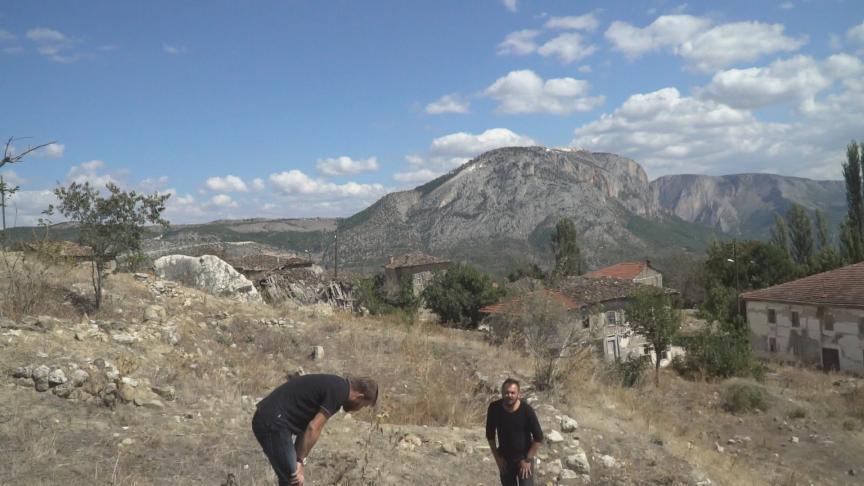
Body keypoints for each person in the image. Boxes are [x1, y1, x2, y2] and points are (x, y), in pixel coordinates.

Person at [252, 374, 378, 486]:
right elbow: (314, 428)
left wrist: (299, 460)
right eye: (363, 405)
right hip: (272, 421)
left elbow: (306, 429)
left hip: (273, 419)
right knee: (293, 479)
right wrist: (300, 461)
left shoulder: (337, 386)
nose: (358, 409)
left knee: (292, 478)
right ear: (360, 397)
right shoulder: (339, 392)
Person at [486, 378, 543, 486]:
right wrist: (497, 458)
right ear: (502, 393)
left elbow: (538, 437)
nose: (509, 395)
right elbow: (490, 435)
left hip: (524, 458)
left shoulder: (526, 410)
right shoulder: (494, 408)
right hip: (505, 459)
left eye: (513, 393)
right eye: (506, 392)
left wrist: (528, 460)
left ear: (518, 394)